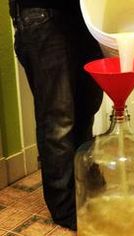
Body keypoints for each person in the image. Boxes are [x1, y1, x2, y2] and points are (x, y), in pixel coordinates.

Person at [9, 0, 103, 231]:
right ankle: (66, 208)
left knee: (86, 109)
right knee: (59, 119)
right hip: (43, 15)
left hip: (83, 17)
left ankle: (84, 188)